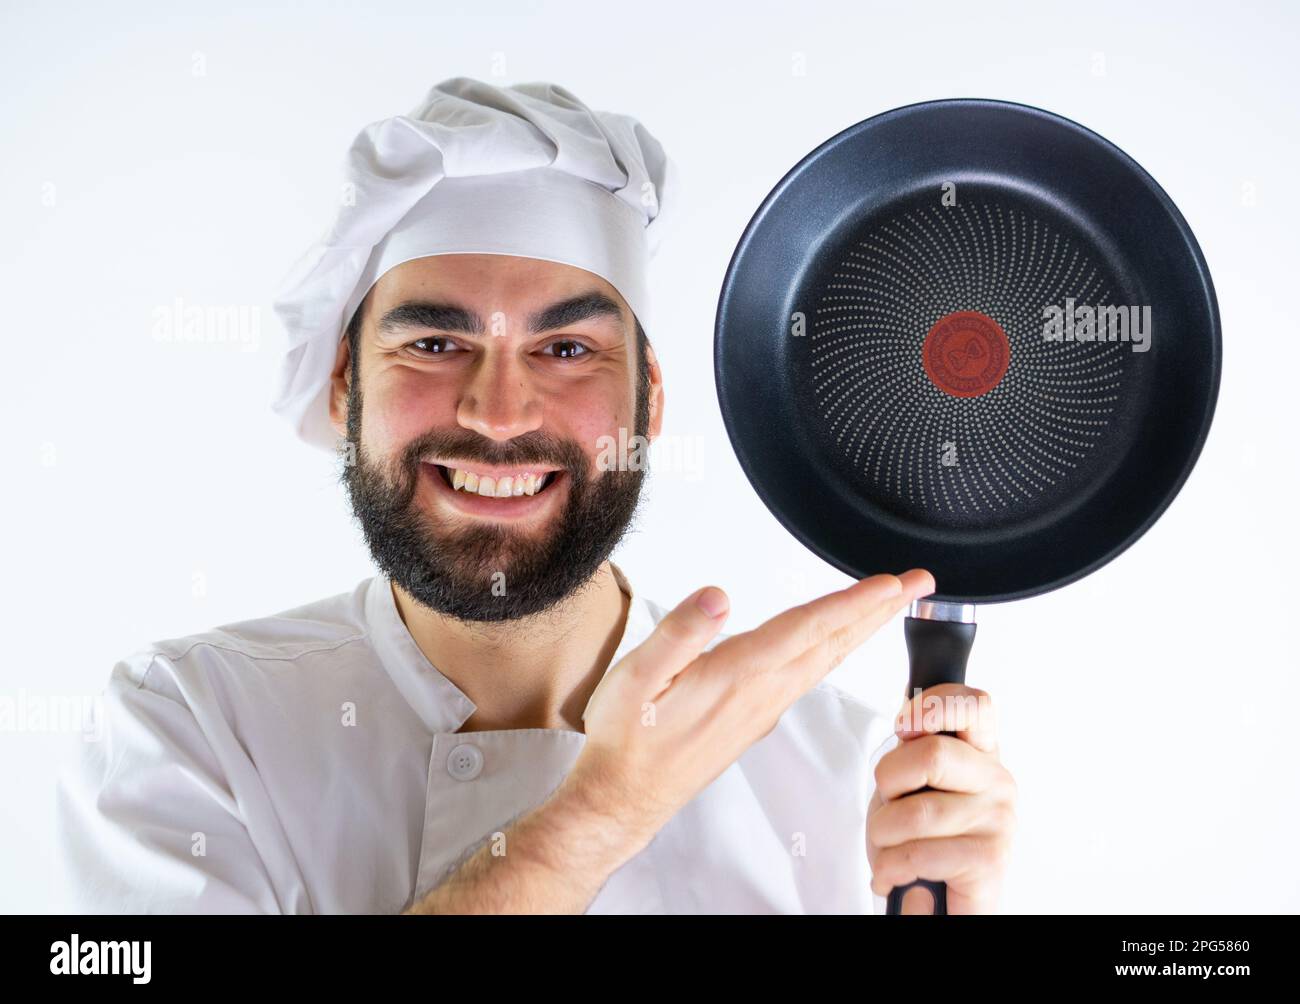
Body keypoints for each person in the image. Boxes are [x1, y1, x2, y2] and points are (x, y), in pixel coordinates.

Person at [55, 77, 1016, 914]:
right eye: (435, 344)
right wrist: (604, 811)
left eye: (566, 349)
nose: (500, 412)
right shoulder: (191, 729)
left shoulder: (842, 779)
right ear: (346, 384)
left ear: (650, 399)